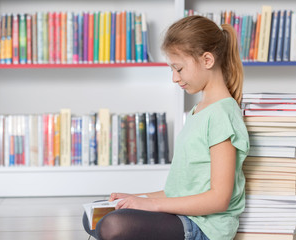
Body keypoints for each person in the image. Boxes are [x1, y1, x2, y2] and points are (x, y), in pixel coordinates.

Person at [82, 15, 249, 240]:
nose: (174, 78)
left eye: (178, 68)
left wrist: (150, 205)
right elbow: (180, 190)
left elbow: (219, 199)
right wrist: (136, 198)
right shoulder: (199, 111)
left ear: (207, 60)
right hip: (183, 216)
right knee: (95, 215)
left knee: (112, 226)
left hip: (204, 227)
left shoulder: (222, 114)